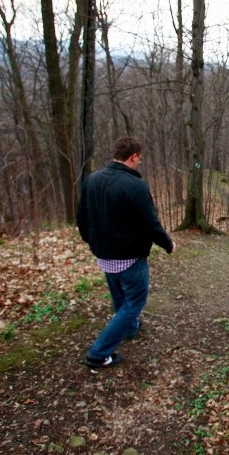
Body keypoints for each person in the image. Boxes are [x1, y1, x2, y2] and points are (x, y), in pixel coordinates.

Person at [76, 137, 175, 368]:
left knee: (120, 297)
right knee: (133, 303)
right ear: (133, 156)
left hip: (104, 255)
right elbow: (150, 224)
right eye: (139, 158)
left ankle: (129, 328)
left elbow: (82, 217)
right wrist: (168, 244)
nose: (139, 162)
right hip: (129, 258)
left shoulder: (92, 180)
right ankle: (98, 354)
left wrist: (91, 242)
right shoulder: (135, 186)